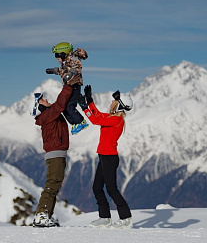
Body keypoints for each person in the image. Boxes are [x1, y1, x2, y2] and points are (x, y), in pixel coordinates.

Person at [78, 85, 134, 229]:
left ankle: (126, 218)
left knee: (111, 189)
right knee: (97, 187)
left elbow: (95, 120)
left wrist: (85, 108)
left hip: (109, 158)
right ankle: (104, 217)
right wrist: (89, 101)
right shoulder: (111, 117)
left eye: (114, 101)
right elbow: (97, 114)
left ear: (119, 105)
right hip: (104, 156)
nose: (111, 102)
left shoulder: (117, 121)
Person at [29, 75, 80, 228]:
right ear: (39, 107)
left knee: (54, 185)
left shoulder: (48, 116)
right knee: (52, 185)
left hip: (57, 154)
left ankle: (45, 216)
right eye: (42, 100)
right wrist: (68, 86)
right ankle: (41, 215)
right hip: (56, 155)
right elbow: (60, 104)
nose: (46, 99)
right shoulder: (48, 115)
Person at [46, 41, 89, 135]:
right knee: (64, 107)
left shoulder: (73, 59)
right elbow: (62, 71)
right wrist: (53, 70)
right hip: (68, 86)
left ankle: (81, 121)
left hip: (75, 85)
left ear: (63, 53)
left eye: (57, 55)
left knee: (69, 106)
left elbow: (77, 67)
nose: (57, 58)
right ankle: (75, 123)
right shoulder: (65, 63)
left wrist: (72, 72)